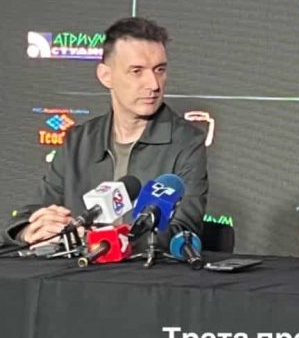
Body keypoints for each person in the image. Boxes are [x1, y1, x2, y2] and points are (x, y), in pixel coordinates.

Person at [5, 16, 208, 248]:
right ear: (105, 76)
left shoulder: (187, 143)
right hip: (76, 268)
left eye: (159, 70)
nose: (153, 84)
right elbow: (31, 214)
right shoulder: (78, 141)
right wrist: (29, 231)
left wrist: (100, 240)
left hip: (143, 270)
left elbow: (183, 231)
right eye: (137, 71)